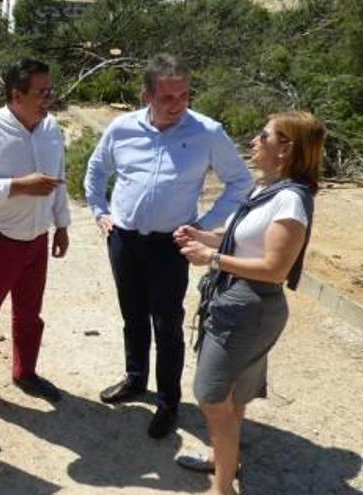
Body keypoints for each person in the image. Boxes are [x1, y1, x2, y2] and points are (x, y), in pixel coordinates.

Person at [84, 53, 253, 438]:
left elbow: (240, 183)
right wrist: (99, 211)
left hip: (169, 245)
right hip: (124, 239)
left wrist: (202, 225)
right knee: (132, 315)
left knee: (167, 324)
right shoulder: (122, 128)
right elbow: (96, 170)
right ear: (146, 96)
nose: (177, 105)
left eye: (184, 95)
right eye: (167, 97)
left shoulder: (207, 133)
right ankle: (135, 378)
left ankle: (168, 401)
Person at [173, 112, 324, 494]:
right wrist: (207, 237)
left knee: (210, 396)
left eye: (264, 135)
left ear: (285, 150)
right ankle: (220, 461)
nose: (255, 141)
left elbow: (275, 269)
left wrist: (212, 259)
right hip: (236, 302)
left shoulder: (290, 200)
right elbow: (244, 241)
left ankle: (222, 488)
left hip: (250, 308)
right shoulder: (268, 189)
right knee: (232, 395)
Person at [0, 58, 71, 420]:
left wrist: (62, 225)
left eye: (50, 90)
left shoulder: (52, 129)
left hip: (36, 240)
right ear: (16, 95)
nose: (48, 98)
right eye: (41, 92)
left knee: (29, 316)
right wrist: (20, 186)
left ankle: (26, 373)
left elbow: (59, 179)